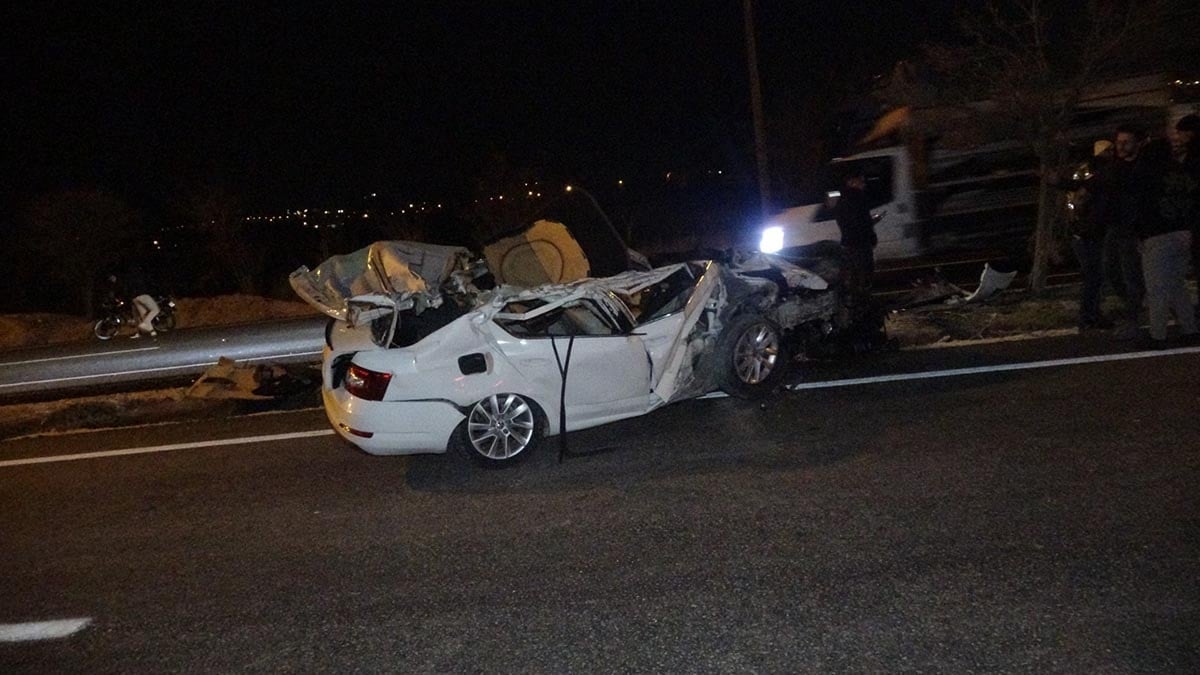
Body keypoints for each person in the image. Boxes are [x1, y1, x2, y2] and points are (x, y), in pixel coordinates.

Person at [1132, 135, 1198, 347]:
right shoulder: (1180, 172)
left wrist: (1139, 234)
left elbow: (1139, 207)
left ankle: (1157, 335)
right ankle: (1190, 329)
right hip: (1184, 233)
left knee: (1157, 288)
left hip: (1157, 235)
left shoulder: (1146, 174)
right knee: (1176, 285)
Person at [1061, 140, 1116, 330]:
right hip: (1087, 231)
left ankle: (1092, 313)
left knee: (1096, 275)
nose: (1111, 153)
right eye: (1107, 150)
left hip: (1090, 229)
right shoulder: (1092, 173)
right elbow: (1077, 198)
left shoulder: (1097, 171)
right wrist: (1079, 217)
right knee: (1094, 275)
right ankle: (1089, 315)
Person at [1101, 125, 1148, 338]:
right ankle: (1135, 304)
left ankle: (1134, 318)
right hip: (1115, 225)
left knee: (1131, 274)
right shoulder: (1114, 167)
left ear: (1137, 143)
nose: (1121, 146)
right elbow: (1096, 185)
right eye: (1118, 142)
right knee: (1110, 268)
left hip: (1132, 228)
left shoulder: (1143, 167)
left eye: (1126, 142)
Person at [834, 168, 878, 304]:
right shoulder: (858, 198)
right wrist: (871, 234)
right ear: (852, 182)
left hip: (848, 242)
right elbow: (862, 222)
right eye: (861, 181)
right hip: (860, 243)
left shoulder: (841, 200)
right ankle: (863, 301)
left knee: (851, 274)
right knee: (864, 272)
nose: (863, 184)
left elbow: (845, 222)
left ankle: (851, 301)